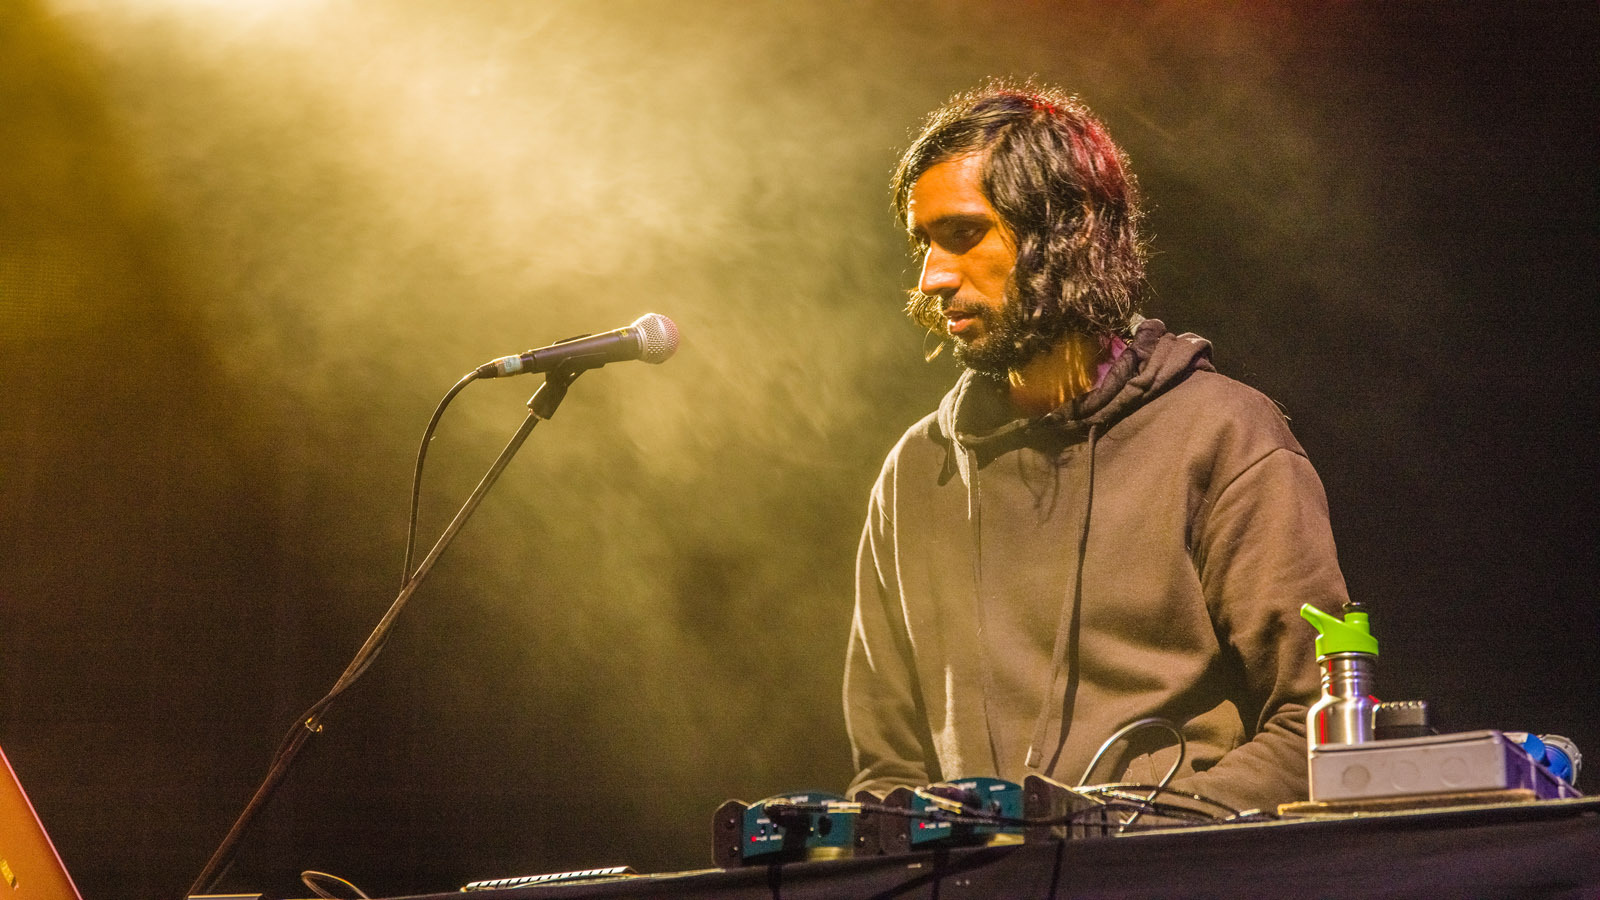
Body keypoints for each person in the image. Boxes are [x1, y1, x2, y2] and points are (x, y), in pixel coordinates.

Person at [843, 82, 1350, 815]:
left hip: (1170, 868)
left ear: (1069, 232)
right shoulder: (916, 475)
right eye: (924, 242)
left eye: (963, 234)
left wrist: (1119, 838)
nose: (933, 277)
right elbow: (888, 774)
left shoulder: (1224, 435)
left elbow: (1315, 729)